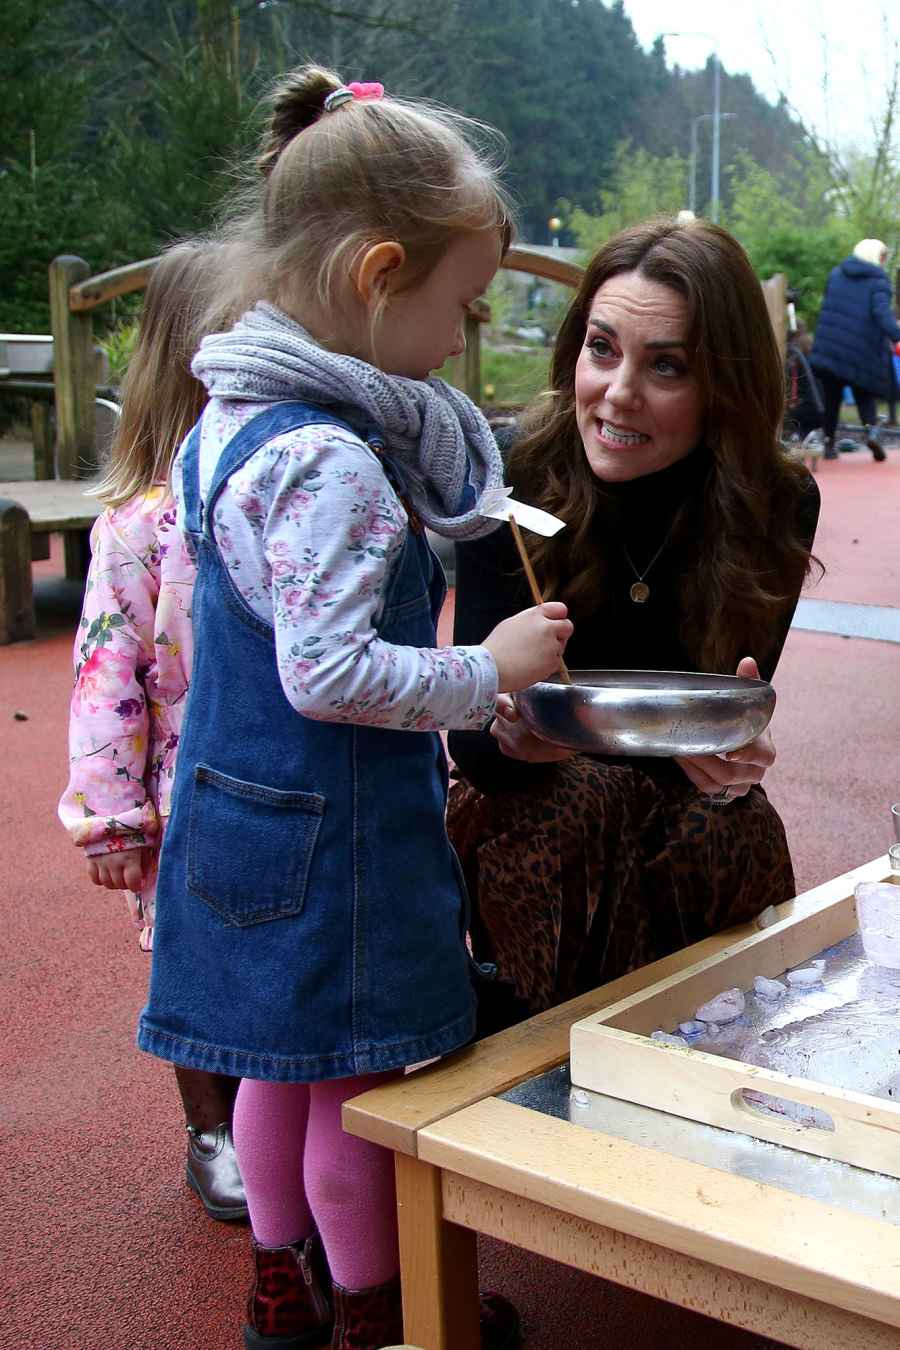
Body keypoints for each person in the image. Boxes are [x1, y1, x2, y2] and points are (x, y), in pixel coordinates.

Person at [136, 66, 572, 1350]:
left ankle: (282, 1292)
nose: (462, 338)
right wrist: (488, 670)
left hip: (235, 809)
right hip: (334, 842)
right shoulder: (333, 458)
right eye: (459, 305)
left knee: (272, 1075)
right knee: (359, 1095)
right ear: (379, 275)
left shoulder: (227, 416)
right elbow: (327, 675)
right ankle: (387, 1315)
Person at [447, 217, 821, 1036]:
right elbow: (467, 738)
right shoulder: (516, 474)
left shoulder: (773, 502)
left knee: (736, 823)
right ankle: (541, 1065)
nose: (618, 392)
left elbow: (715, 713)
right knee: (581, 805)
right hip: (531, 796)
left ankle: (720, 1062)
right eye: (602, 348)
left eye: (666, 367)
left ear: (722, 385)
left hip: (665, 798)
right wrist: (508, 738)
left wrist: (736, 755)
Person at [58, 242, 248, 1221]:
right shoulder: (139, 529)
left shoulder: (277, 498)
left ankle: (268, 1121)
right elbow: (106, 681)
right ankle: (210, 1130)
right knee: (192, 970)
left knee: (269, 964)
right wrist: (112, 820)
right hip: (184, 795)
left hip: (274, 781)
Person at [810, 238, 900, 460]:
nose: (882, 261)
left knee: (832, 397)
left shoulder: (836, 274)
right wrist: (896, 334)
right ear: (872, 256)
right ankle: (871, 431)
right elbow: (881, 313)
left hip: (829, 346)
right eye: (881, 256)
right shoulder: (879, 280)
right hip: (860, 349)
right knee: (864, 392)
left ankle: (829, 445)